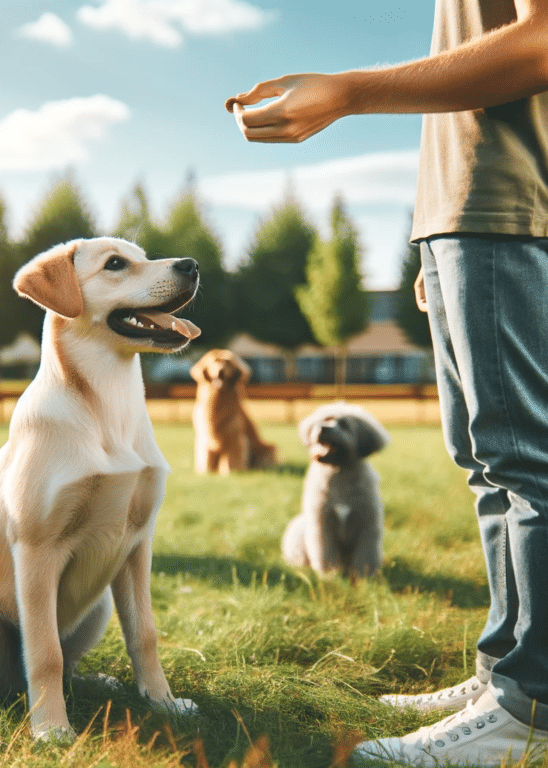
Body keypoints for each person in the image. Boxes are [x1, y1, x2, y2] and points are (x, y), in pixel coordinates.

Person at [227, 1, 548, 766]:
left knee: (526, 462)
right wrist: (436, 234)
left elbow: (541, 41)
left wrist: (349, 91)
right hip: (462, 213)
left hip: (508, 205)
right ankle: (504, 670)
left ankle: (531, 704)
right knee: (484, 462)